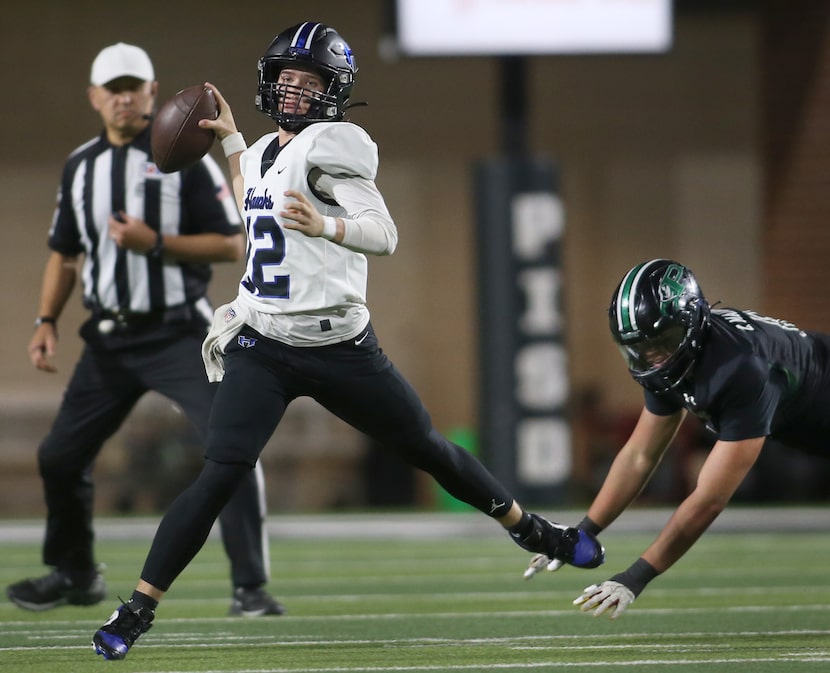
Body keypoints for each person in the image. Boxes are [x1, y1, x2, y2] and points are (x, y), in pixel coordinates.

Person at [90, 22, 605, 660]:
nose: (296, 92)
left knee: (428, 448)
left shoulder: (336, 145)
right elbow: (257, 180)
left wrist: (326, 224)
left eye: (310, 83)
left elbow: (382, 232)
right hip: (265, 341)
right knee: (219, 473)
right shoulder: (266, 152)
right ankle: (137, 609)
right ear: (269, 83)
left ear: (334, 92)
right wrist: (231, 141)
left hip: (338, 345)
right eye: (288, 80)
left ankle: (532, 531)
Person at [7, 42, 284, 618]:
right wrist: (45, 320)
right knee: (60, 456)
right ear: (95, 97)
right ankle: (76, 572)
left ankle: (250, 588)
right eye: (114, 87)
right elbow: (63, 254)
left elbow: (234, 242)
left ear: (154, 94)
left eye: (135, 86)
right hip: (108, 340)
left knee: (231, 449)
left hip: (180, 332)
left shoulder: (186, 160)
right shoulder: (81, 166)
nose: (125, 96)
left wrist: (154, 242)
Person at [530, 258, 830, 619]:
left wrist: (635, 577)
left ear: (692, 324)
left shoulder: (742, 369)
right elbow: (640, 455)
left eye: (661, 341)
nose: (651, 356)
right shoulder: (683, 356)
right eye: (639, 347)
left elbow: (709, 499)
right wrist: (582, 532)